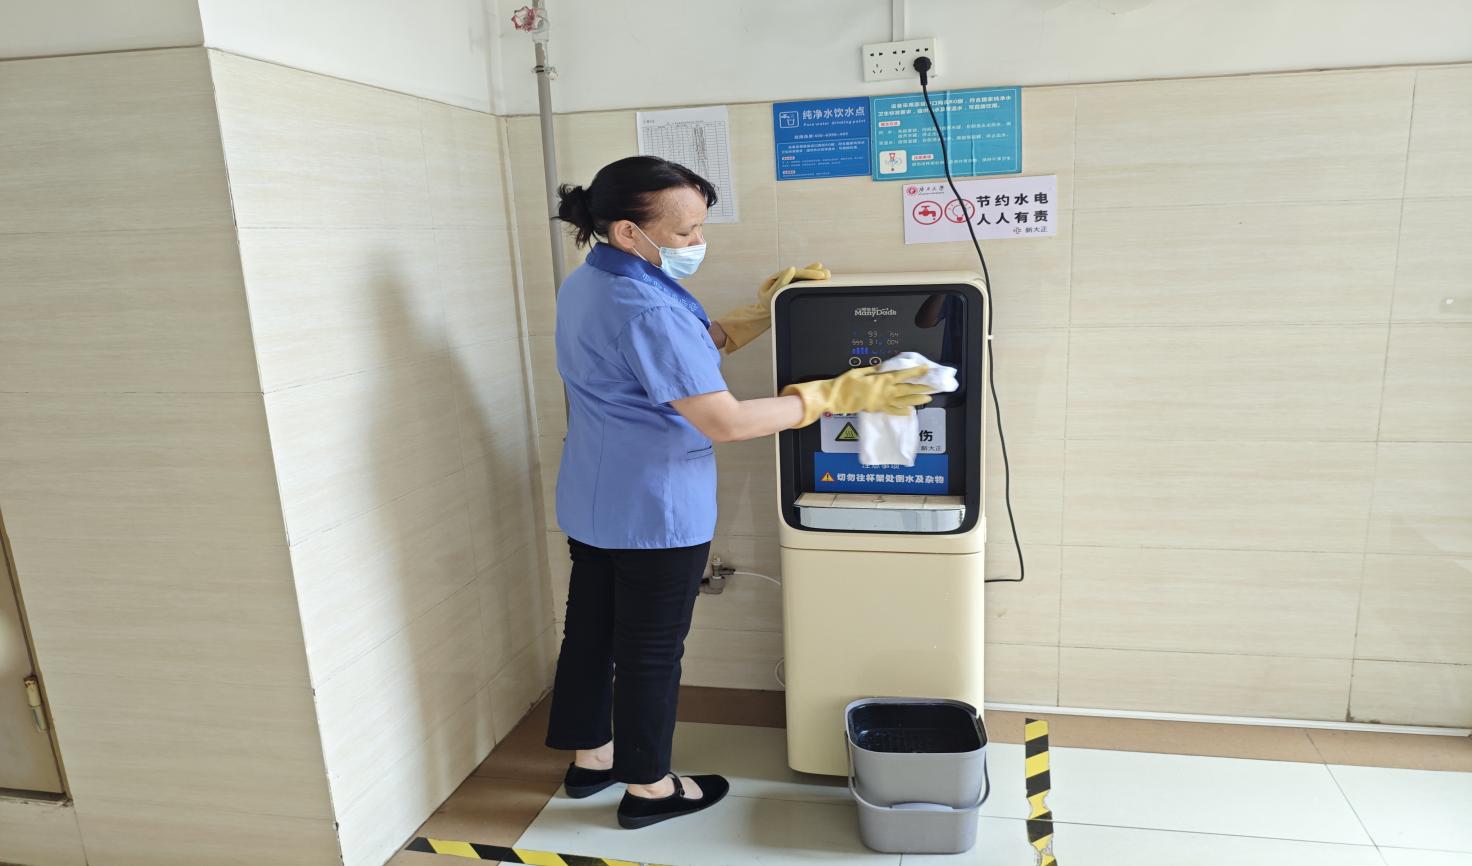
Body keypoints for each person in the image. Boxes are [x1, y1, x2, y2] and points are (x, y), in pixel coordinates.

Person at [544, 155, 933, 829]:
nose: (697, 242)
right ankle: (649, 790)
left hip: (594, 496)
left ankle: (592, 759)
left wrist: (759, 314)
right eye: (685, 232)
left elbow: (672, 359)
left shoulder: (593, 281)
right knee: (650, 651)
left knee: (591, 633)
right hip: (655, 510)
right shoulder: (647, 306)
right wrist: (834, 396)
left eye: (700, 227)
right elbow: (724, 420)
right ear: (629, 230)